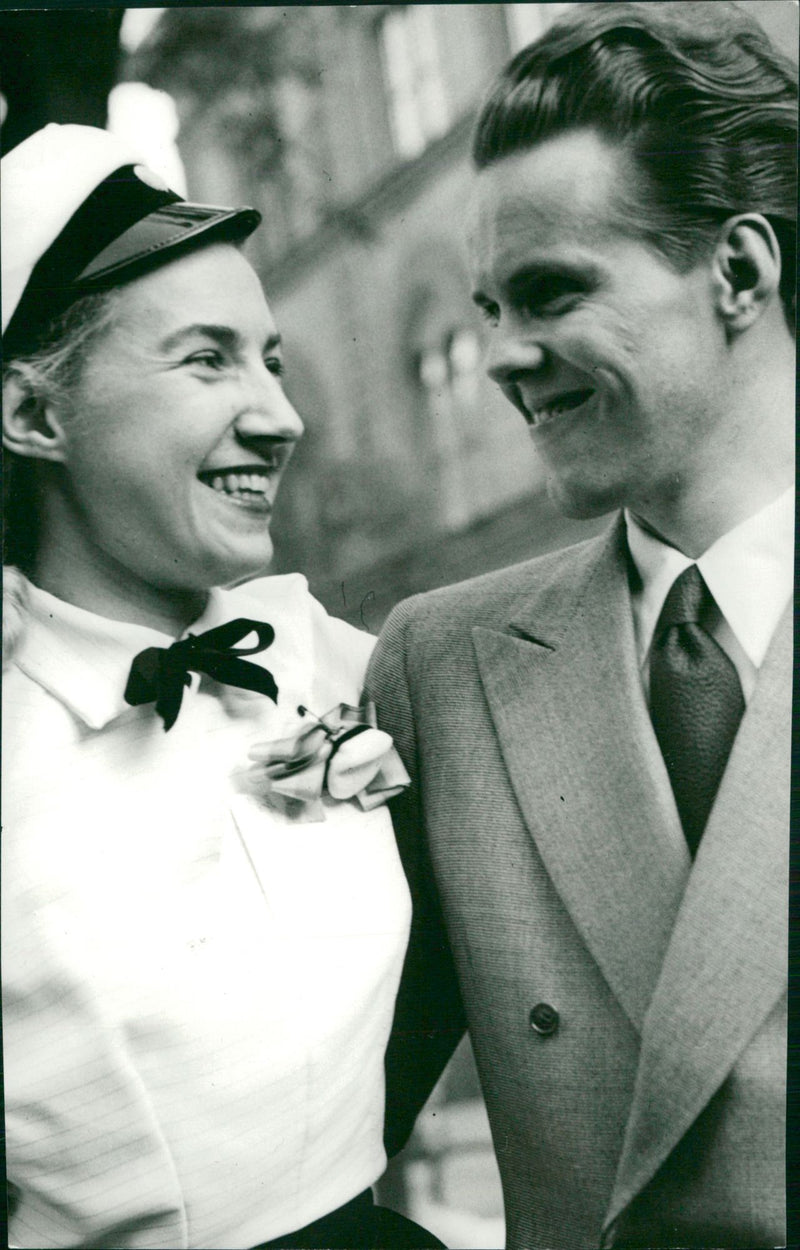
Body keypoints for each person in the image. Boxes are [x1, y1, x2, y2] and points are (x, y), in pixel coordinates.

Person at [368, 4, 796, 1247]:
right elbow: (309, 1131)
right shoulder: (441, 667)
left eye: (548, 292)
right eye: (486, 308)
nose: (501, 355)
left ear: (737, 270)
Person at [1, 123, 449, 1250]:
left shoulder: (331, 661)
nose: (279, 415)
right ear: (33, 416)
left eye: (271, 359)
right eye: (207, 359)